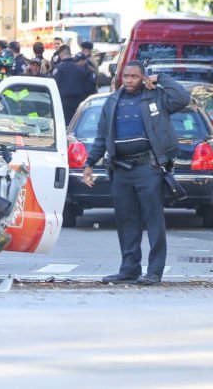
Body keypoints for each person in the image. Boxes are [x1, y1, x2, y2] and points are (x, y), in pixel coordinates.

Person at [81, 62, 190, 285]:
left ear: (143, 78)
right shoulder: (112, 101)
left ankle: (154, 271)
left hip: (148, 168)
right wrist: (89, 163)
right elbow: (102, 136)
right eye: (126, 76)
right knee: (126, 221)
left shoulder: (156, 97)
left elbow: (182, 98)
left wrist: (160, 78)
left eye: (134, 76)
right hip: (120, 169)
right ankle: (129, 269)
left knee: (153, 220)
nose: (129, 80)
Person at [52, 44, 96, 122]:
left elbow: (54, 86)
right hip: (80, 103)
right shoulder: (81, 69)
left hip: (63, 103)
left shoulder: (59, 69)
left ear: (61, 54)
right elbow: (90, 87)